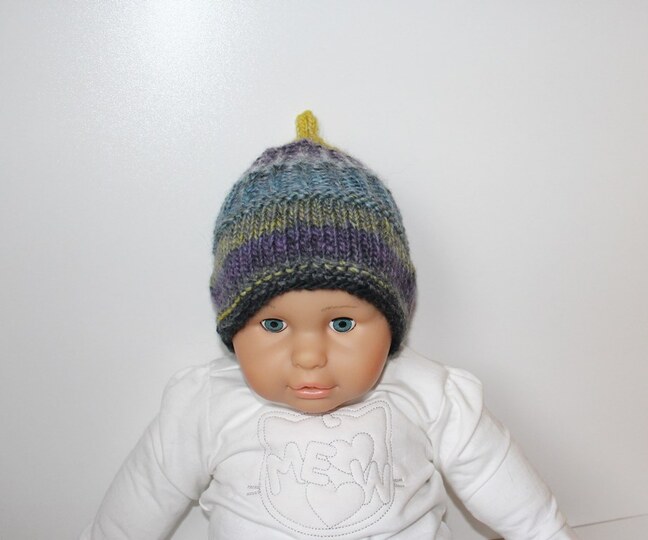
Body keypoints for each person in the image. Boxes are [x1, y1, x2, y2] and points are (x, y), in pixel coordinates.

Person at [81, 112, 578, 539]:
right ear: (232, 327)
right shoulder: (204, 407)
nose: (309, 356)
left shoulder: (431, 396)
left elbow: (528, 515)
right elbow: (128, 518)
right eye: (273, 324)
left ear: (394, 322)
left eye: (342, 323)